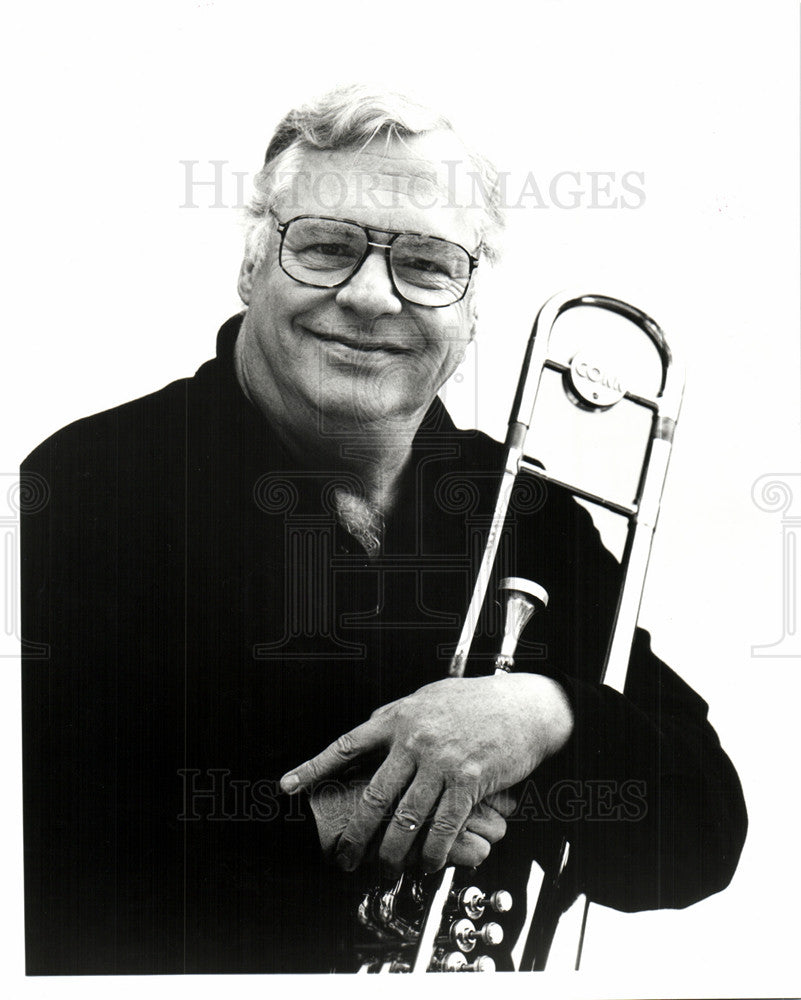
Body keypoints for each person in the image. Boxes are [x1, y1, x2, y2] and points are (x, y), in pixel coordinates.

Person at [20, 84, 747, 975]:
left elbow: (702, 836)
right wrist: (337, 822)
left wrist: (548, 718)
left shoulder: (529, 508)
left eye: (428, 265)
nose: (370, 297)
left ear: (471, 307)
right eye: (324, 247)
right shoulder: (83, 487)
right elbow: (38, 877)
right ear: (250, 268)